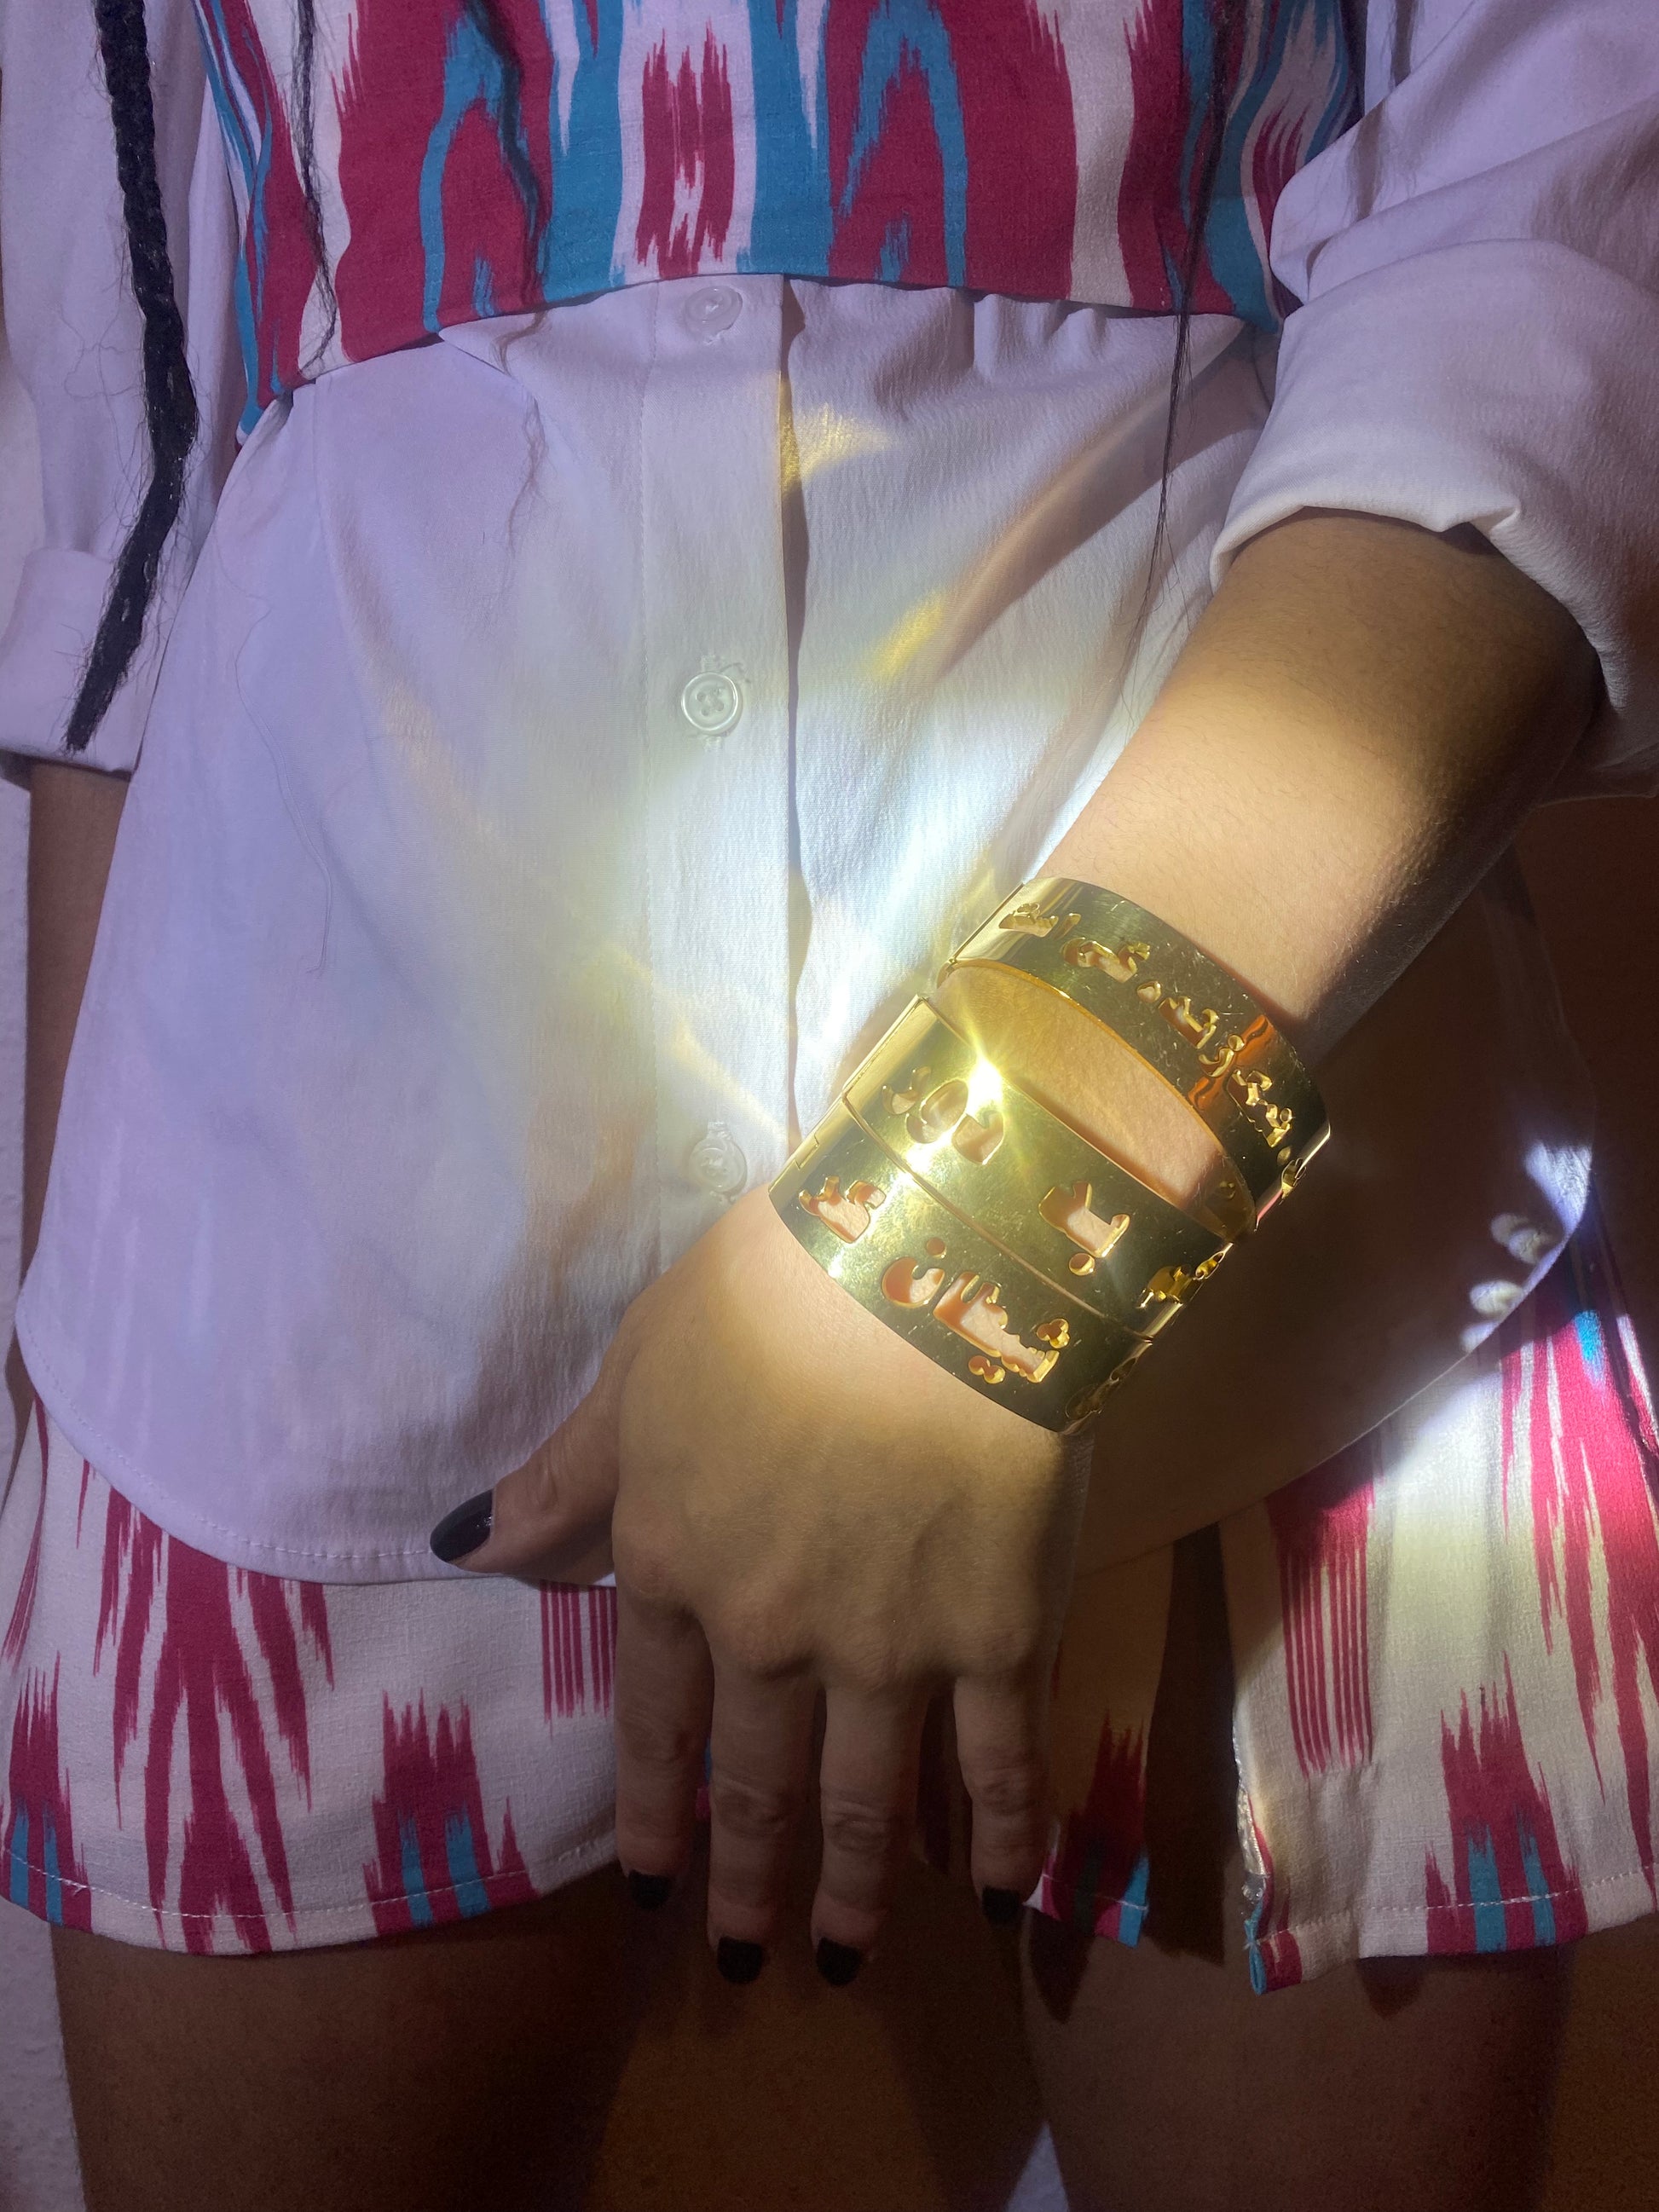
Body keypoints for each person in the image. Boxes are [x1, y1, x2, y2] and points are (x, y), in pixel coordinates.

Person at [1, 0, 1656, 2204]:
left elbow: (1545, 254)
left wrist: (964, 1235)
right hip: (294, 1251)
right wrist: (78, 1366)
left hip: (1286, 1248)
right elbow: (117, 525)